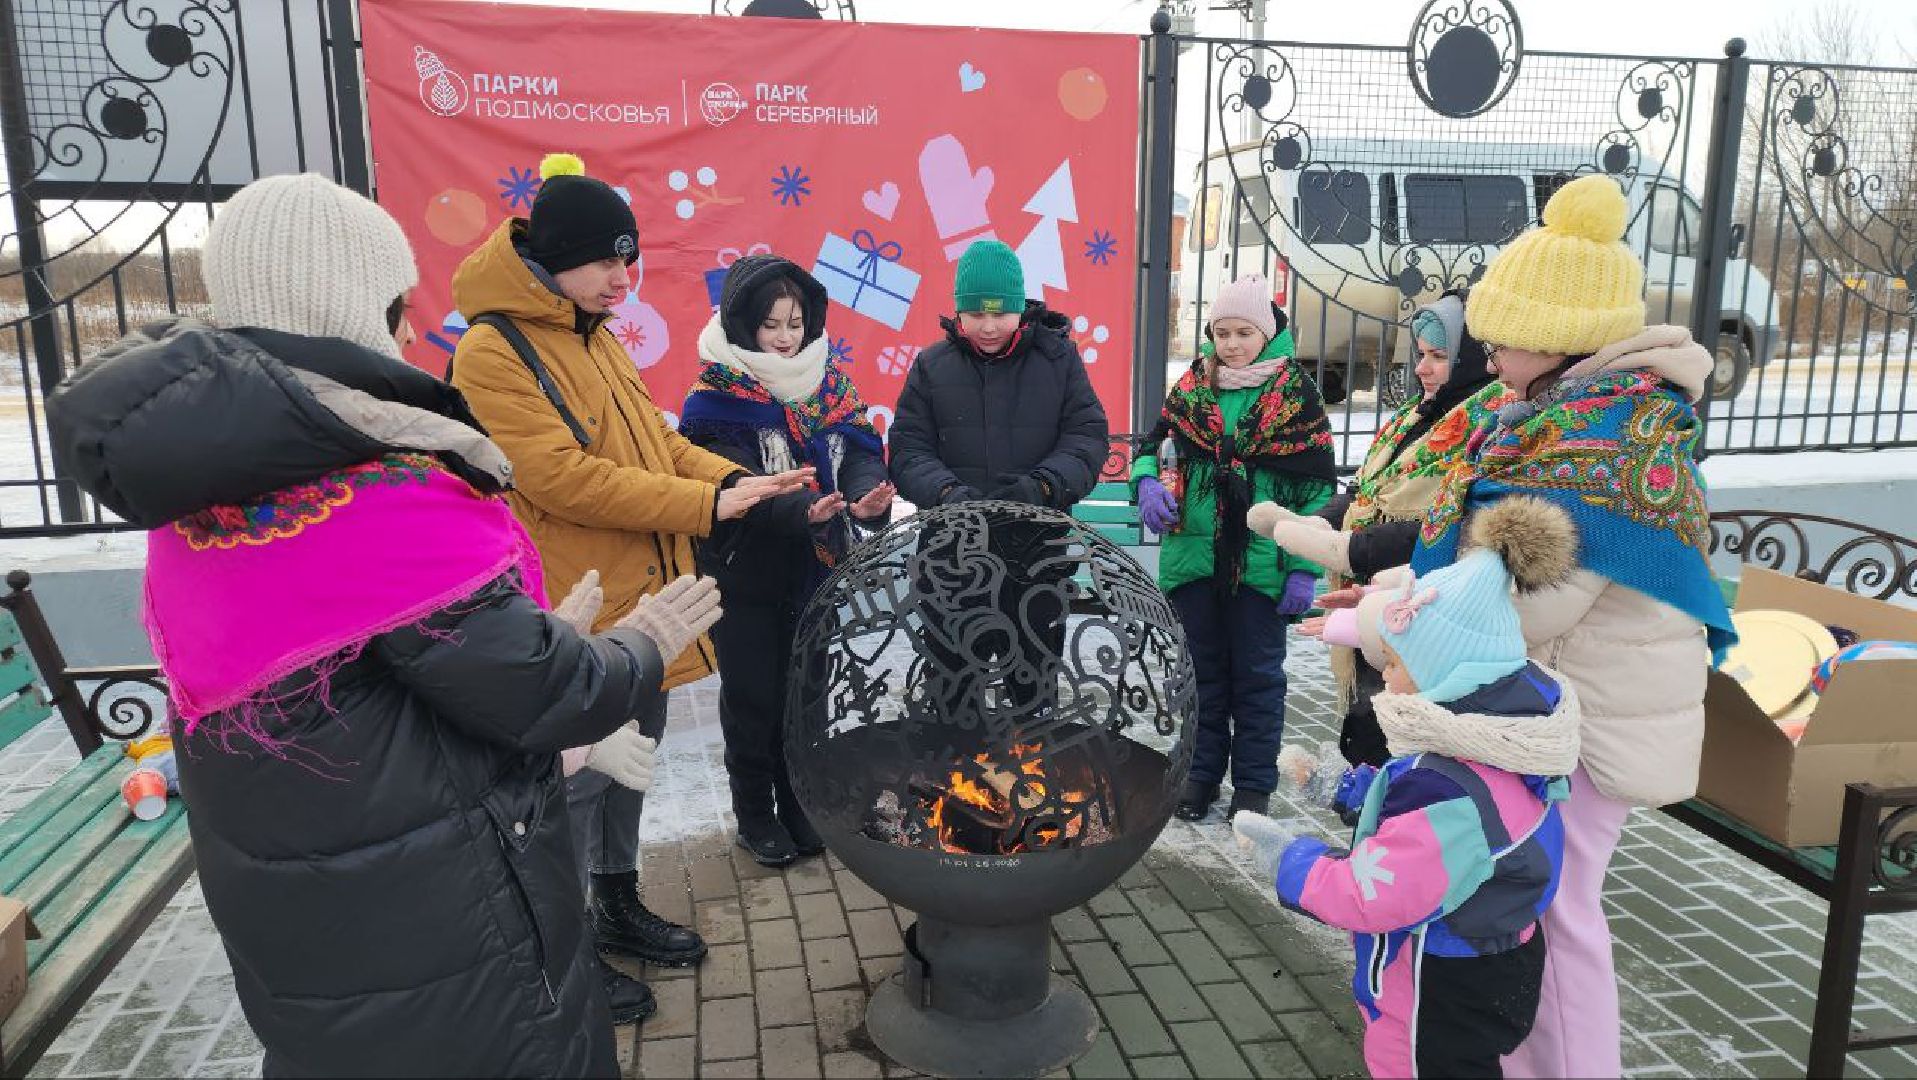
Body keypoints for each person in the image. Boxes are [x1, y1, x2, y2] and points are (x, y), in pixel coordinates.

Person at [43, 173, 722, 1076]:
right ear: (341, 305)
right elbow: (543, 693)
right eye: (394, 304)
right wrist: (637, 645)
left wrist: (526, 639)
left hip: (316, 936)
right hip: (447, 941)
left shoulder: (201, 503)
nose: (408, 332)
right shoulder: (374, 497)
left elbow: (376, 693)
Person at [1298, 174, 1735, 1078]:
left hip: (1592, 728)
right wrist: (1381, 580)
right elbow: (1473, 565)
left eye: (1502, 337)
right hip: (1552, 715)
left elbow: (1520, 605)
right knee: (1519, 914)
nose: (1487, 355)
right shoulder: (1561, 417)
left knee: (1555, 917)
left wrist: (1381, 617)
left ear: (1559, 336)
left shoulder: (1606, 437)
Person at [448, 154, 812, 1009]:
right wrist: (706, 506)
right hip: (570, 608)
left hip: (641, 600)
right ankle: (561, 951)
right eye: (606, 260)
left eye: (629, 256)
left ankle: (616, 904)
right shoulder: (492, 349)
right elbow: (560, 478)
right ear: (553, 256)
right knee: (574, 780)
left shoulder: (591, 330)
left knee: (630, 767)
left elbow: (652, 443)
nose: (624, 276)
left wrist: (730, 484)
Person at [1234, 497, 1582, 1080]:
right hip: (1486, 960)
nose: (1383, 677)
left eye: (1392, 664)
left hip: (1438, 982)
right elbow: (1428, 818)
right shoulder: (1494, 746)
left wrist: (1291, 861)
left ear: (1442, 679)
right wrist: (1347, 788)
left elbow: (1376, 893)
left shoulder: (1452, 788)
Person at [679, 254, 893, 866]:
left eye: (795, 323)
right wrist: (798, 511)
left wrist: (864, 493)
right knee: (754, 698)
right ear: (744, 323)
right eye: (771, 324)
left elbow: (858, 449)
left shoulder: (831, 383)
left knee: (807, 695)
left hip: (817, 569)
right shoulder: (713, 398)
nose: (785, 336)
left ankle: (799, 804)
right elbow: (729, 484)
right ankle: (755, 815)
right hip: (745, 572)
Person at [1259, 290, 1500, 767]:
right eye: (1420, 355)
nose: (1422, 369)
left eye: (1438, 356)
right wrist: (1316, 522)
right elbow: (1367, 491)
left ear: (1473, 360)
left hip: (1418, 606)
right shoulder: (1418, 416)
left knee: (1396, 737)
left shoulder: (1484, 426)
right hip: (1370, 597)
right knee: (1366, 727)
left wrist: (1348, 548)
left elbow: (1446, 525)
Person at [1131, 274, 1336, 821]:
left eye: (1243, 332)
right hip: (1193, 561)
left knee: (1258, 681)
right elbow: (1152, 446)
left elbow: (1314, 495)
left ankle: (1252, 788)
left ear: (1266, 333)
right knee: (1200, 677)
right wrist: (1148, 481)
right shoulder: (1193, 387)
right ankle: (1199, 777)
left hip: (1263, 567)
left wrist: (1302, 570)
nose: (1231, 344)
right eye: (1221, 333)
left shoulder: (1295, 398)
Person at [886, 240, 1109, 719]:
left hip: (1036, 560)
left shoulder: (1059, 360)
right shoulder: (931, 366)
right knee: (952, 699)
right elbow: (907, 448)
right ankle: (952, 786)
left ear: (1020, 310)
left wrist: (1044, 487)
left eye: (1000, 314)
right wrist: (945, 494)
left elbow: (1087, 438)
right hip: (952, 563)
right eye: (974, 314)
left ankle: (1026, 789)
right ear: (958, 313)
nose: (988, 327)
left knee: (1032, 702)